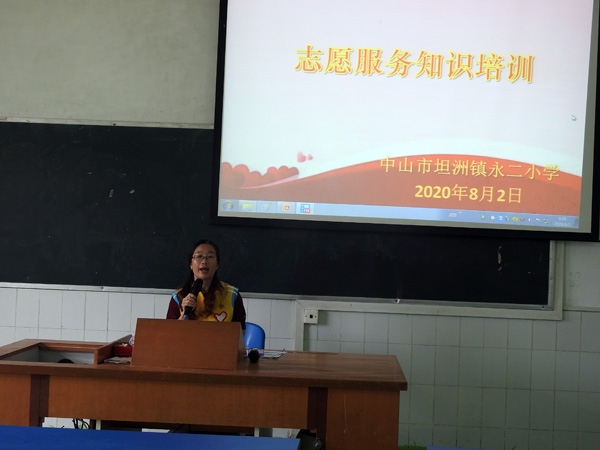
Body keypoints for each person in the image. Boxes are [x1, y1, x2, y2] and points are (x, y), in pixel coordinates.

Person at [166, 239, 246, 330]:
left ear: (217, 264)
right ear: (191, 264)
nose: (204, 261)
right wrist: (184, 313)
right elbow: (170, 333)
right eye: (199, 256)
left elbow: (240, 333)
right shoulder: (178, 297)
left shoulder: (232, 295)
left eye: (210, 257)